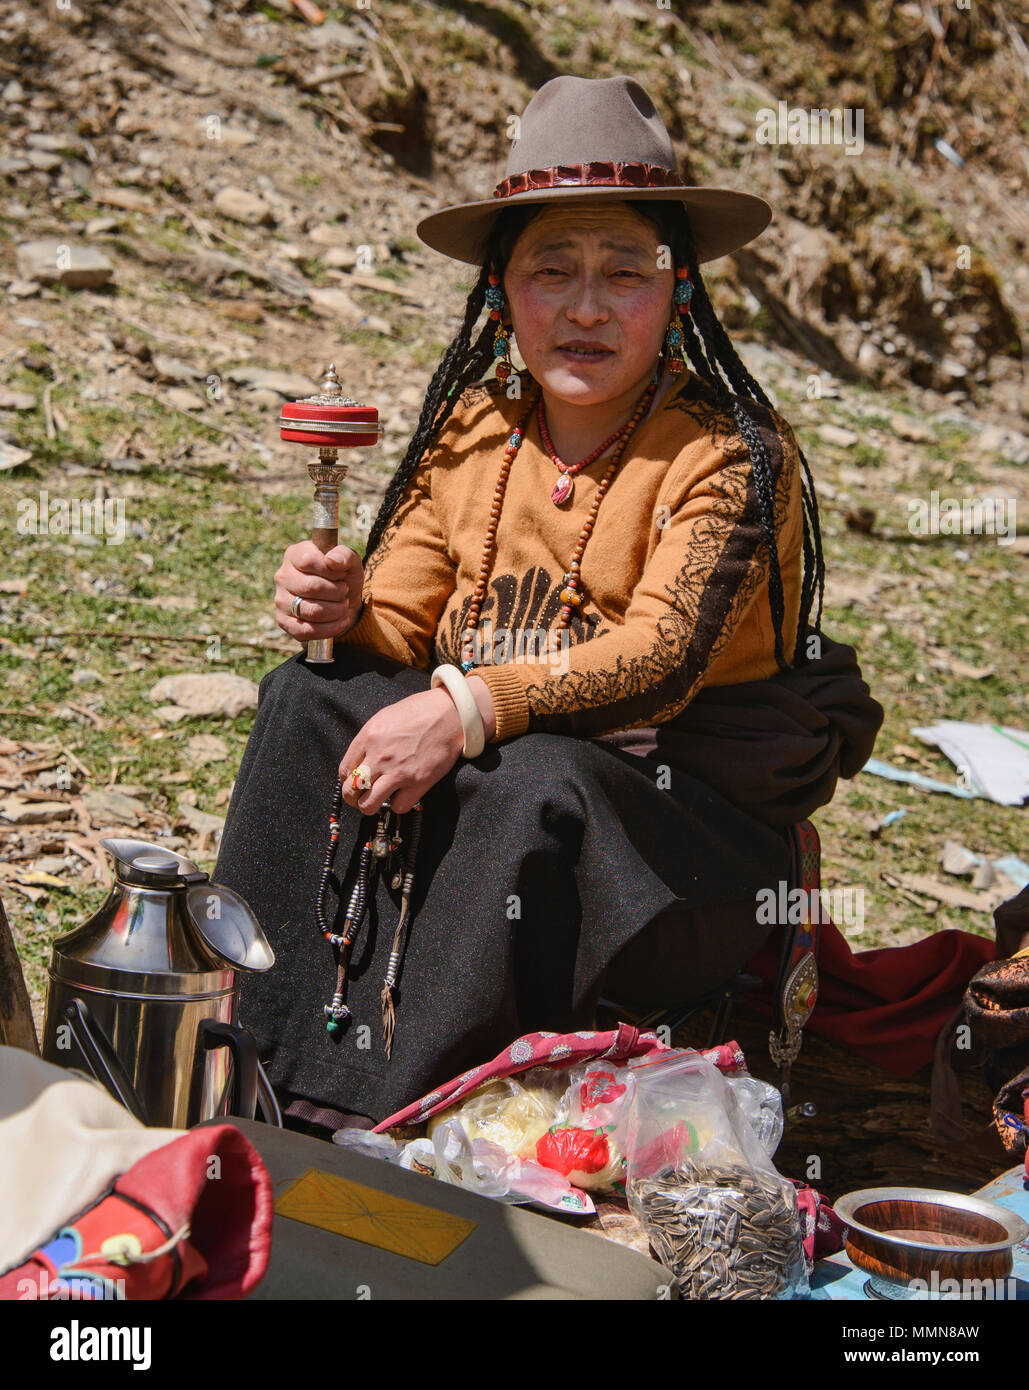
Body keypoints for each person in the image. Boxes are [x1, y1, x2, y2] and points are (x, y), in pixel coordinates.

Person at [214, 75, 882, 1134]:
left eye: (627, 272)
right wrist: (342, 610)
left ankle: (410, 1113)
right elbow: (404, 618)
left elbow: (658, 659)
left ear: (679, 291)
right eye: (550, 272)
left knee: (534, 778)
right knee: (306, 697)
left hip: (674, 838)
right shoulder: (479, 427)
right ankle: (258, 1049)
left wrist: (466, 708)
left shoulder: (731, 457)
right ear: (499, 291)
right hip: (505, 771)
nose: (585, 307)